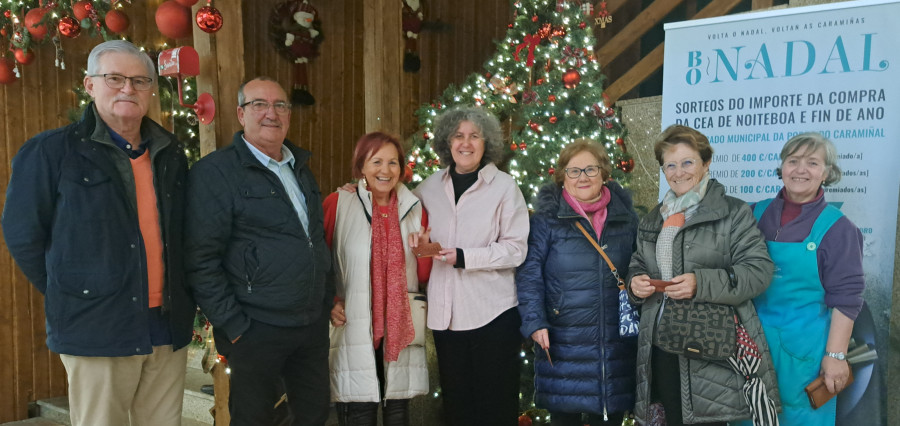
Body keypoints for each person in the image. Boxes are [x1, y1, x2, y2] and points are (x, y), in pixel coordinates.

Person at [1, 40, 193, 426]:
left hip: (167, 325)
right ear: (90, 85)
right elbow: (23, 235)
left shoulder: (170, 153)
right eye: (115, 78)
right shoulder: (50, 152)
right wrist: (75, 289)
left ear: (152, 90)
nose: (128, 89)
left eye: (140, 81)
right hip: (98, 326)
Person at [184, 77, 332, 426]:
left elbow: (315, 240)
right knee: (254, 419)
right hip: (255, 327)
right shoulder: (216, 173)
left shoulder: (299, 167)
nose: (272, 113)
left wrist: (327, 298)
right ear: (240, 113)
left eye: (280, 105)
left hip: (309, 325)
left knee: (313, 415)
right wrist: (235, 326)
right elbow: (201, 259)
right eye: (259, 105)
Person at [626, 125, 779, 426]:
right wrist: (636, 283)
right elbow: (638, 264)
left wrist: (701, 283)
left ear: (706, 163)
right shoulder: (653, 218)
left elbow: (759, 272)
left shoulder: (732, 213)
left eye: (688, 162)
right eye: (670, 164)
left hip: (708, 344)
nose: (679, 172)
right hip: (659, 345)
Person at [412, 106, 530, 426]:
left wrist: (465, 257)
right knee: (457, 406)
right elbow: (396, 211)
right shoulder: (427, 188)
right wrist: (359, 189)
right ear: (447, 142)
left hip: (493, 314)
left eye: (474, 136)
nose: (466, 143)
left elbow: (516, 250)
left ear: (486, 142)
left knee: (496, 406)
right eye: (458, 135)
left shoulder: (505, 187)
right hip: (445, 318)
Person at [741, 133, 865, 426]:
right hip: (750, 348)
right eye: (793, 160)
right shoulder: (751, 215)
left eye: (812, 162)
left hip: (805, 353)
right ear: (782, 167)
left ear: (827, 172)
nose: (800, 170)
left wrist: (836, 356)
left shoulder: (839, 229)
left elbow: (847, 299)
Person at [516, 139, 639, 426]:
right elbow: (529, 274)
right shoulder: (546, 220)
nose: (582, 177)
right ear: (562, 177)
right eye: (574, 171)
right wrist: (535, 322)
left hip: (614, 342)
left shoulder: (626, 219)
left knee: (609, 416)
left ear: (604, 173)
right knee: (565, 416)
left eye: (590, 169)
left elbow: (639, 267)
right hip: (562, 339)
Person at [324, 131, 433, 426]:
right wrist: (329, 301)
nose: (385, 171)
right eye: (376, 162)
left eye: (393, 163)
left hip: (399, 325)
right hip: (355, 322)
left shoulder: (415, 208)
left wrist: (423, 253)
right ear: (361, 167)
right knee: (360, 410)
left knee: (398, 410)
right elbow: (320, 262)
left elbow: (422, 276)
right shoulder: (339, 203)